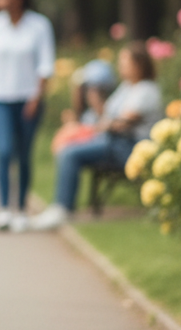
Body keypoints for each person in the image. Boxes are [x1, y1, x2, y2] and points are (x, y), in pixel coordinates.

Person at [31, 43, 162, 229]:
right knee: (68, 144)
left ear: (139, 65)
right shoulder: (126, 87)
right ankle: (61, 206)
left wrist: (97, 126)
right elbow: (106, 117)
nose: (120, 66)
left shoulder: (146, 90)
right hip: (114, 142)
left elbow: (121, 123)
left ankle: (62, 208)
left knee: (70, 153)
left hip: (130, 148)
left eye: (125, 62)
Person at [0, 0, 55, 233]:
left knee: (24, 154)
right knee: (5, 151)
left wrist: (36, 97)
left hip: (29, 99)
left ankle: (21, 208)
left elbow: (45, 64)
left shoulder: (39, 25)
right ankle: (4, 208)